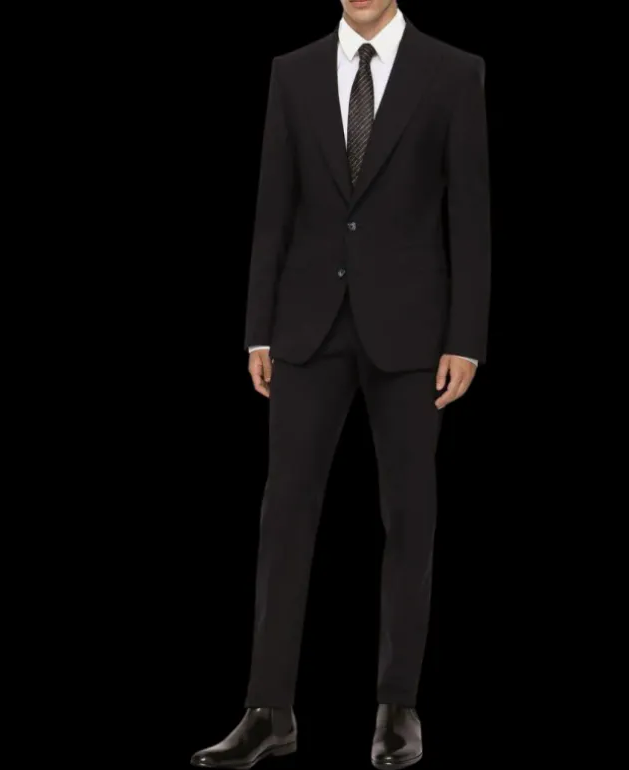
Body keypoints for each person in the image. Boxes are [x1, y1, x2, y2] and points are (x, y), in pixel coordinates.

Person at [191, 1, 490, 767]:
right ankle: (268, 711)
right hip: (305, 326)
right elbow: (273, 203)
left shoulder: (454, 72)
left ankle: (397, 706)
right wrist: (258, 328)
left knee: (409, 515)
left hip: (414, 332)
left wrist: (466, 338)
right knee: (285, 514)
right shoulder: (291, 72)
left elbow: (470, 211)